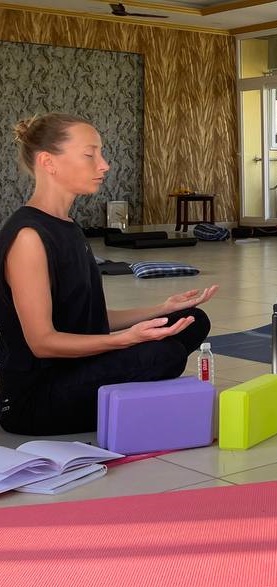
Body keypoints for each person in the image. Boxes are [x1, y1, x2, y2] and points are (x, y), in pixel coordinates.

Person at [0, 113, 215, 436]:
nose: (104, 165)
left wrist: (163, 308)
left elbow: (90, 317)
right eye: (90, 155)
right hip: (33, 399)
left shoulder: (69, 227)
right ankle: (132, 398)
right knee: (163, 353)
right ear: (48, 162)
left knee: (193, 320)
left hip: (76, 367)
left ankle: (129, 397)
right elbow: (42, 342)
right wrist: (124, 341)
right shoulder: (29, 237)